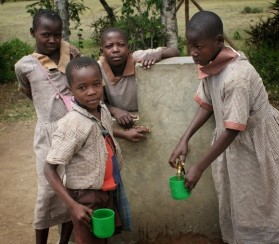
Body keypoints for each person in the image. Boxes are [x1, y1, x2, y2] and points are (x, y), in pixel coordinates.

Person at [168, 11, 279, 244]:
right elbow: (207, 103)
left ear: (219, 41)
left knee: (269, 197)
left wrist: (199, 166)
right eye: (189, 46)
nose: (192, 53)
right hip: (235, 144)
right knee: (245, 200)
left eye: (198, 46)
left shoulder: (236, 77)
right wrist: (184, 139)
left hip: (258, 143)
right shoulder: (212, 65)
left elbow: (232, 129)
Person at [44, 56, 130, 244]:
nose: (91, 92)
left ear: (103, 84)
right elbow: (49, 168)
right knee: (88, 240)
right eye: (82, 88)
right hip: (85, 196)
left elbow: (100, 133)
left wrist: (125, 135)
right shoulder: (72, 123)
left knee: (102, 237)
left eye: (96, 84)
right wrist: (73, 206)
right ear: (70, 90)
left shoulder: (102, 110)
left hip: (105, 190)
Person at [14, 9, 80, 244]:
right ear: (33, 33)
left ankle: (64, 242)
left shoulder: (71, 55)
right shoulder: (25, 66)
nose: (52, 40)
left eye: (57, 34)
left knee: (72, 186)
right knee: (47, 190)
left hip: (73, 133)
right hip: (47, 136)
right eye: (46, 35)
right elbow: (31, 92)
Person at [98, 27, 180, 129]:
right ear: (102, 51)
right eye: (109, 46)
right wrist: (115, 111)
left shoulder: (137, 58)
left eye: (121, 45)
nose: (115, 50)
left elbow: (175, 51)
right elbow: (98, 102)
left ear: (129, 48)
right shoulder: (97, 68)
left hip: (147, 114)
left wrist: (159, 54)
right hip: (120, 117)